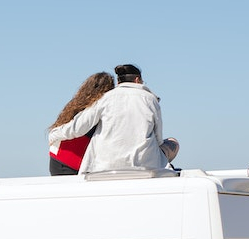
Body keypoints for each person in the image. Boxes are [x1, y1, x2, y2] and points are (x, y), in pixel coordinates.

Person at [48, 64, 178, 174]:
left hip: (104, 165)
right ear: (138, 80)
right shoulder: (150, 99)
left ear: (119, 81)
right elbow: (158, 139)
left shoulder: (105, 99)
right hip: (143, 164)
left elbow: (78, 128)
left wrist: (54, 134)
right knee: (173, 142)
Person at [48, 72, 115, 175]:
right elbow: (76, 129)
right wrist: (53, 135)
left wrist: (54, 135)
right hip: (72, 161)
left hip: (59, 159)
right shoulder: (96, 107)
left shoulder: (77, 105)